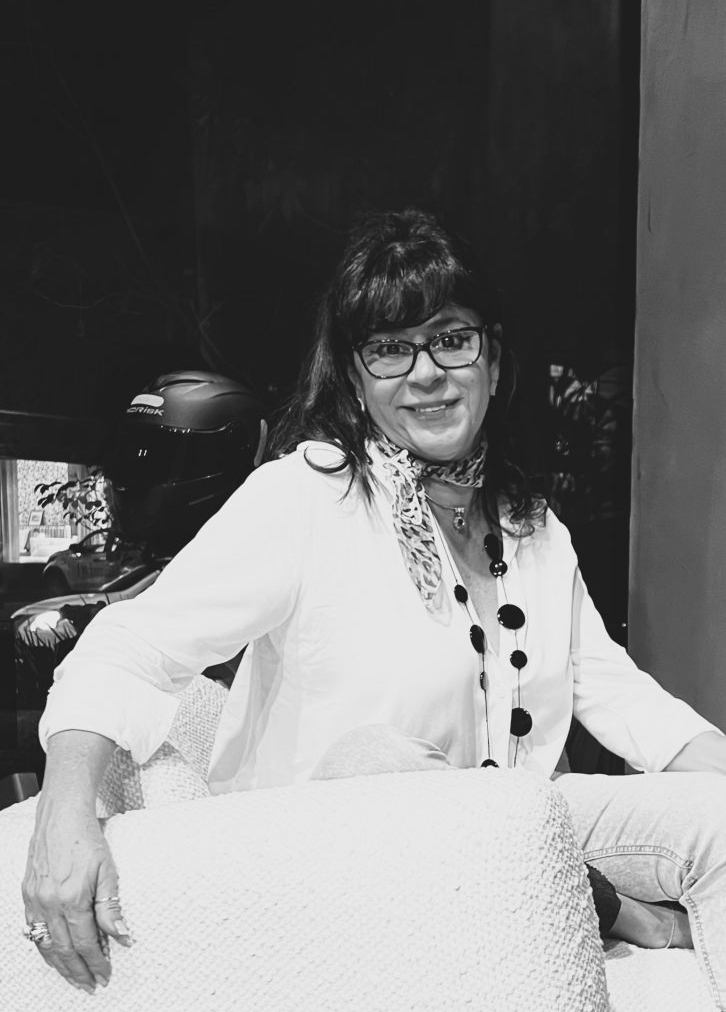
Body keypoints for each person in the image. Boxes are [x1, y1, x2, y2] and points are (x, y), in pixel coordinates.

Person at [22, 209, 726, 1007]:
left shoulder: (533, 529)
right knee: (377, 760)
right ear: (354, 378)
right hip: (323, 858)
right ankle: (612, 908)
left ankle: (595, 899)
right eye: (390, 349)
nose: (426, 373)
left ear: (493, 360)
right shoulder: (307, 495)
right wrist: (63, 814)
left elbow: (623, 697)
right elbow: (127, 649)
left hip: (512, 837)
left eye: (452, 339)